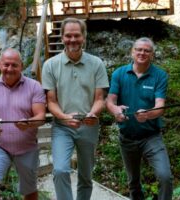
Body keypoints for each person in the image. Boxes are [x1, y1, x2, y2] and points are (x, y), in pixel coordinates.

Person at [41, 17, 109, 200]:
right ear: (62, 38)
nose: (73, 40)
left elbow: (100, 98)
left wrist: (93, 113)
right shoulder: (50, 65)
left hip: (89, 124)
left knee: (86, 175)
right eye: (68, 36)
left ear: (84, 37)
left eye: (77, 35)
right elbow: (51, 101)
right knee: (61, 170)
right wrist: (63, 117)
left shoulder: (96, 64)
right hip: (62, 126)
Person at [106, 37, 173, 200]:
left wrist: (148, 114)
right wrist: (116, 110)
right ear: (132, 52)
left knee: (165, 177)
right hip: (127, 137)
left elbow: (160, 106)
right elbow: (110, 101)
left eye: (147, 50)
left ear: (152, 55)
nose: (142, 53)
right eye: (139, 49)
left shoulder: (159, 75)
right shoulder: (119, 73)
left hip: (151, 137)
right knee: (133, 183)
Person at [0, 48, 46, 200]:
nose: (10, 69)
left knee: (30, 190)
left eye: (14, 65)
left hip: (27, 148)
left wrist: (29, 123)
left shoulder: (34, 86)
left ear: (21, 66)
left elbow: (41, 116)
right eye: (6, 64)